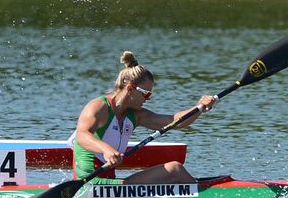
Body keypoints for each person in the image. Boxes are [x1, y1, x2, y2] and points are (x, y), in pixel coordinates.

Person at [71, 51, 217, 184]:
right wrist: (106, 149)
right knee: (175, 170)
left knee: (174, 169)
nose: (148, 98)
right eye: (146, 93)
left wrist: (199, 108)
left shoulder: (135, 115)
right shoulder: (99, 106)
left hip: (111, 182)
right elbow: (82, 135)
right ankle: (201, 191)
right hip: (88, 182)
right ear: (130, 88)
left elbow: (174, 121)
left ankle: (195, 189)